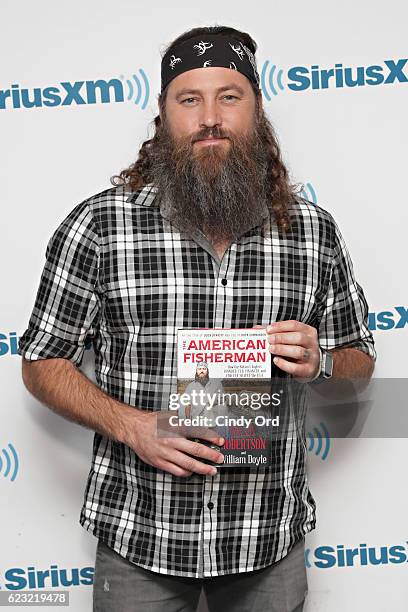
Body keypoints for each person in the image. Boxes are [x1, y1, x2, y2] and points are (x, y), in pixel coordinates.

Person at [18, 25, 376, 612]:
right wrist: (131, 425)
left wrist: (323, 361)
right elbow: (41, 361)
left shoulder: (312, 232)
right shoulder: (99, 226)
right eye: (190, 99)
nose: (210, 117)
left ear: (257, 113)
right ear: (163, 116)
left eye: (229, 96)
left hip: (266, 541)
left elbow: (360, 364)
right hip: (141, 540)